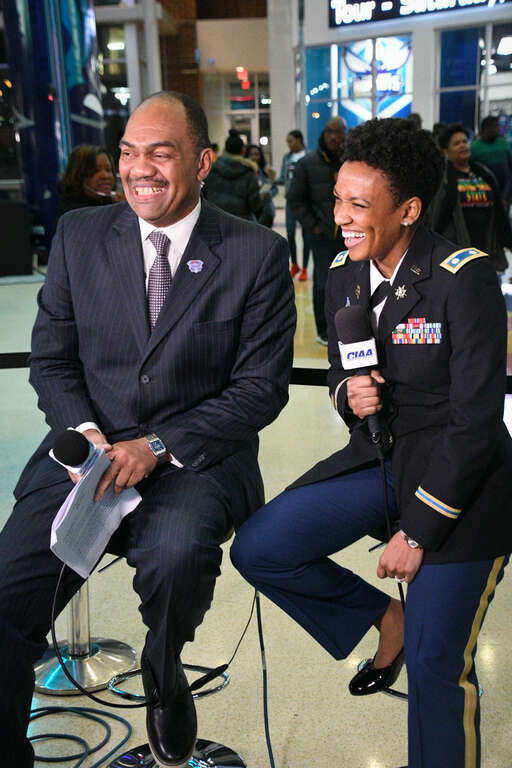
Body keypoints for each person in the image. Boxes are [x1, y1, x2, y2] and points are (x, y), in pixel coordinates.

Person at [0, 91, 296, 768]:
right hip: (87, 461)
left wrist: (157, 446)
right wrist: (85, 433)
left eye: (161, 153)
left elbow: (260, 390)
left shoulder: (254, 254)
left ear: (202, 161)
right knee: (5, 598)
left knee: (175, 554)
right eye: (129, 153)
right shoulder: (79, 237)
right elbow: (51, 358)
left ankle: (165, 671)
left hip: (193, 460)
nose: (140, 169)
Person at [231, 117, 512, 768]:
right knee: (263, 546)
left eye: (359, 205)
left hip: (462, 485)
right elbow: (339, 365)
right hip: (384, 458)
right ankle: (390, 621)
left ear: (409, 209)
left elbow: (474, 423)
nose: (342, 217)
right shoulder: (344, 273)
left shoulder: (461, 279)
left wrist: (415, 533)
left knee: (439, 666)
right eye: (337, 199)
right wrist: (345, 394)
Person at [287, 116, 346, 345]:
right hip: (322, 236)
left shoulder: (351, 162)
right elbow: (295, 199)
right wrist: (314, 225)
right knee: (323, 282)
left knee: (352, 281)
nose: (335, 137)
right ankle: (324, 331)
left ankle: (349, 329)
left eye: (339, 132)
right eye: (331, 131)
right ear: (324, 133)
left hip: (350, 234)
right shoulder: (308, 163)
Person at [430, 122, 512, 273]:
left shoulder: (483, 172)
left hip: (487, 246)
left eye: (464, 141)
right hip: (457, 249)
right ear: (446, 151)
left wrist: (508, 240)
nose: (462, 146)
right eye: (456, 143)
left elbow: (499, 210)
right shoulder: (443, 178)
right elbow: (437, 216)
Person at [203, 129, 262, 221]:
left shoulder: (210, 169)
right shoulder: (248, 172)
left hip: (216, 221)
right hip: (243, 223)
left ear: (225, 150)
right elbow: (255, 205)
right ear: (243, 151)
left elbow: (203, 197)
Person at [275, 130, 311, 281]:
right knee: (290, 233)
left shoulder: (308, 156)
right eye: (287, 142)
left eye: (291, 141)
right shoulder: (287, 157)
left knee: (306, 235)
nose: (289, 145)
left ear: (299, 140)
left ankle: (304, 268)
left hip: (306, 201)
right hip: (291, 201)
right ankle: (294, 264)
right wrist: (273, 179)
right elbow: (283, 177)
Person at [56, 144, 119, 219]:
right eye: (96, 170)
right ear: (78, 175)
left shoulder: (111, 204)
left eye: (108, 170)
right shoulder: (72, 215)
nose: (105, 176)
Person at [470, 115, 512, 206]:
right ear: (486, 129)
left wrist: (506, 196)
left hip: (504, 194)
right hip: (482, 196)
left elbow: (510, 170)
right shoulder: (474, 148)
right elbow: (471, 175)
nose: (498, 129)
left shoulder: (504, 143)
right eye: (496, 126)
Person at [246, 143, 277, 228]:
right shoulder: (244, 172)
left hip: (266, 211)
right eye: (251, 154)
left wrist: (269, 194)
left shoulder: (266, 171)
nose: (254, 157)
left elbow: (275, 189)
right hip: (250, 211)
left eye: (256, 154)